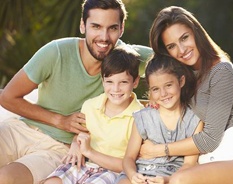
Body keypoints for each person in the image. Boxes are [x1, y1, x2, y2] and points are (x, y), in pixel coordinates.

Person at [0, 0, 151, 184]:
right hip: (19, 130)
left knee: (5, 178)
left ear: (121, 29)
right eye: (96, 26)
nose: (104, 37)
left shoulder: (126, 58)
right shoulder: (56, 52)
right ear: (82, 25)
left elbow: (173, 61)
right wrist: (60, 121)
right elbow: (7, 97)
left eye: (112, 28)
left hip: (57, 149)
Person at [139, 6, 233, 184]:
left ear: (196, 33)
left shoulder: (221, 70)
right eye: (172, 46)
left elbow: (209, 140)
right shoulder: (183, 80)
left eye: (184, 38)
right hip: (206, 166)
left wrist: (158, 150)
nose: (182, 49)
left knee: (179, 180)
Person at [42, 45, 144, 184]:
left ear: (135, 81)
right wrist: (75, 144)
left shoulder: (139, 117)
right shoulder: (90, 106)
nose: (115, 89)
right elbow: (81, 135)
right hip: (83, 165)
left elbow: (129, 165)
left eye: (123, 82)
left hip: (112, 171)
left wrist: (90, 152)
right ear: (102, 81)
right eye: (109, 82)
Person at [115, 55, 204, 184]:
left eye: (168, 85)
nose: (163, 94)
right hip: (140, 173)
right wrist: (133, 175)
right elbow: (129, 158)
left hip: (171, 177)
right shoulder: (144, 117)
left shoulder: (194, 120)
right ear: (150, 90)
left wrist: (167, 180)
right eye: (156, 89)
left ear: (181, 81)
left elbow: (189, 164)